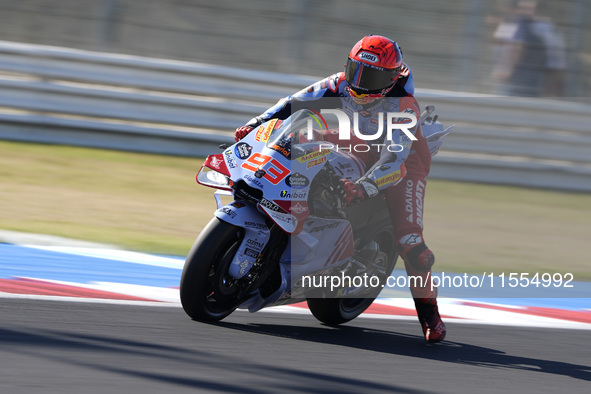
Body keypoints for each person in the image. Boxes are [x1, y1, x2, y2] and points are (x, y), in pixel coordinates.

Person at [235, 35, 446, 343]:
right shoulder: (338, 83)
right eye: (356, 71)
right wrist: (255, 125)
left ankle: (431, 317)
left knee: (411, 243)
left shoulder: (403, 106)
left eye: (371, 77)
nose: (360, 83)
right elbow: (292, 103)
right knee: (299, 131)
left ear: (390, 79)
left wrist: (364, 188)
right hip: (351, 139)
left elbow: (393, 161)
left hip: (401, 164)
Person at [491, 0, 567, 97]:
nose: (523, 13)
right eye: (521, 8)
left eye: (528, 9)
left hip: (523, 82)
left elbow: (517, 48)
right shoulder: (512, 24)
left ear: (538, 11)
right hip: (520, 82)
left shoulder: (543, 29)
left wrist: (506, 71)